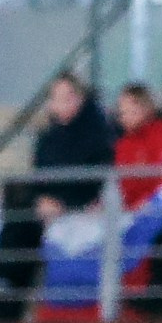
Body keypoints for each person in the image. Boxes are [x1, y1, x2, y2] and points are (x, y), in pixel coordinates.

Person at [30, 72, 115, 220]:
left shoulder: (97, 132)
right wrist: (42, 197)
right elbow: (40, 173)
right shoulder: (47, 138)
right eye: (55, 98)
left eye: (67, 98)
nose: (60, 104)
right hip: (52, 208)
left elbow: (97, 173)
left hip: (85, 208)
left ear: (79, 98)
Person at [113, 83, 162, 209]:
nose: (125, 116)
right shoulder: (123, 144)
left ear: (146, 108)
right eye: (122, 111)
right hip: (130, 209)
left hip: (160, 205)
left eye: (131, 110)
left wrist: (149, 200)